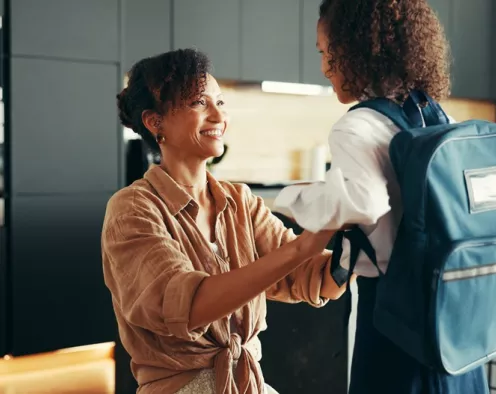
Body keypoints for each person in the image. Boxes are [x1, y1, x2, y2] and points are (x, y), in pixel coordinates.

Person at [274, 0, 490, 393]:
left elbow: (365, 203)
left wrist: (291, 200)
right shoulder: (435, 115)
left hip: (396, 319)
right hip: (454, 319)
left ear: (356, 49)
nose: (324, 66)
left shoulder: (357, 126)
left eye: (327, 52)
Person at [102, 48, 345, 394]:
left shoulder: (240, 202)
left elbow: (311, 278)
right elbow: (188, 307)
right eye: (199, 103)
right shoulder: (131, 209)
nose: (218, 115)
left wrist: (355, 241)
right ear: (155, 122)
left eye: (220, 102)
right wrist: (304, 245)